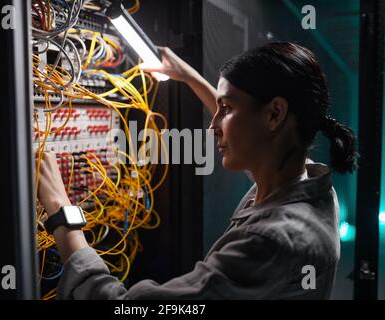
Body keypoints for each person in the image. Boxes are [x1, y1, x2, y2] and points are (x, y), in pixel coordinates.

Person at [37, 42, 359, 299]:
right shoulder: (308, 187)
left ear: (274, 114)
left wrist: (60, 209)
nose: (211, 128)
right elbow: (253, 137)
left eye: (227, 108)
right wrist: (190, 78)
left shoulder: (271, 240)